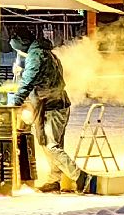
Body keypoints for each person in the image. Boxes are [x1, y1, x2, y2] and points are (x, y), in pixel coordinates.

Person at [8, 30, 89, 193]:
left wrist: (16, 100)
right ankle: (54, 180)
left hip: (52, 106)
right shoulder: (46, 53)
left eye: (18, 50)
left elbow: (29, 79)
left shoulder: (36, 55)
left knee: (50, 145)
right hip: (55, 104)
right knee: (52, 144)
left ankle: (80, 176)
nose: (19, 53)